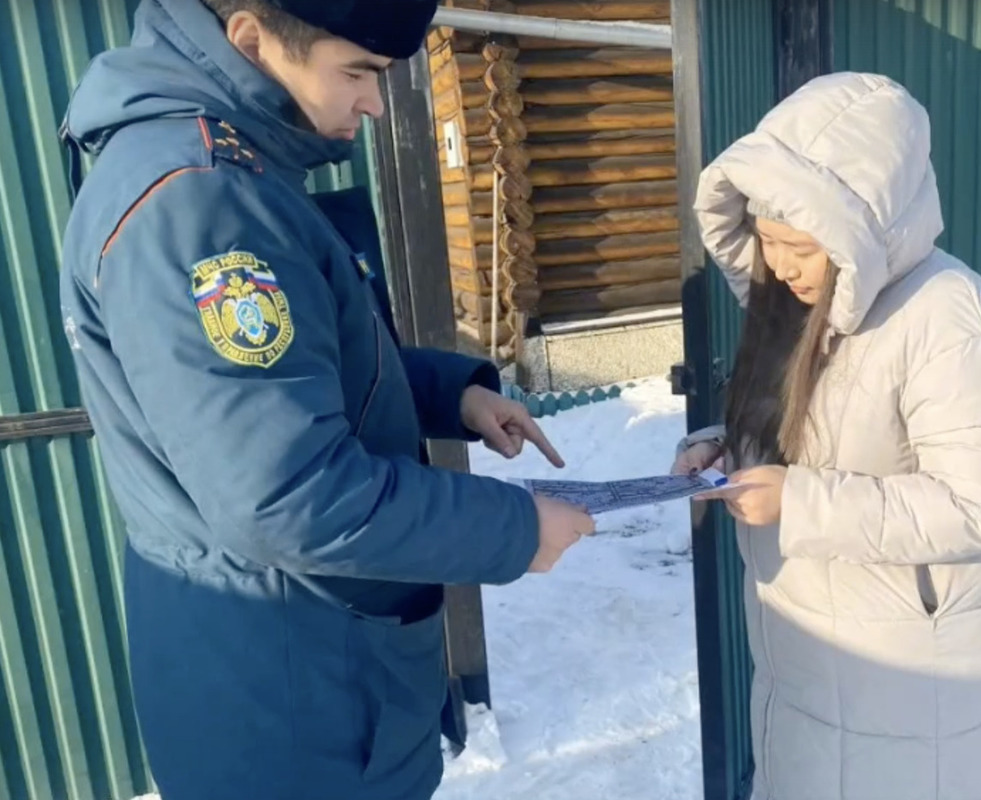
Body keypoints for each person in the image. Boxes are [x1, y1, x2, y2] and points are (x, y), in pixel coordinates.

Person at [57, 1, 595, 798]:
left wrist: (455, 395)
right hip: (294, 698)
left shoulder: (228, 172)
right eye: (358, 73)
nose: (376, 104)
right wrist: (515, 528)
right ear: (252, 40)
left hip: (292, 663)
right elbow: (285, 494)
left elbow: (306, 373)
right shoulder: (202, 204)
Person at [673, 72, 981, 800]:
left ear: (864, 230)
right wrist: (731, 447)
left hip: (908, 696)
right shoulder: (807, 306)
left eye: (798, 245)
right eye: (766, 241)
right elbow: (822, 440)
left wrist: (801, 504)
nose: (778, 265)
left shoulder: (954, 320)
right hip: (808, 667)